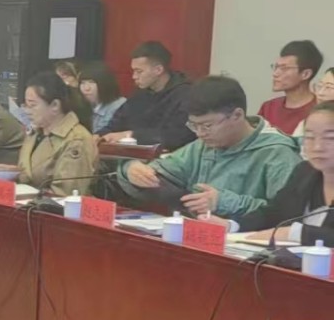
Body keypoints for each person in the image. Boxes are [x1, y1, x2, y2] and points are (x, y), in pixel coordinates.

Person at [111, 75, 301, 219]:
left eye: (207, 125)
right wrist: (131, 169)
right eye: (194, 125)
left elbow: (287, 216)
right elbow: (162, 170)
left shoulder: (278, 154)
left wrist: (223, 202)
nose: (200, 133)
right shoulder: (203, 146)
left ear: (237, 115)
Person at [236, 103, 334, 243]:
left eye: (330, 138)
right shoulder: (304, 172)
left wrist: (295, 233)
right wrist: (233, 225)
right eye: (310, 137)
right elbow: (274, 213)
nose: (317, 147)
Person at [13, 72, 100, 197]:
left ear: (55, 105)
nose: (27, 111)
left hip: (53, 206)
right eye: (25, 105)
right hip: (26, 203)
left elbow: (67, 192)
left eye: (32, 105)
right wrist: (10, 173)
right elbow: (27, 173)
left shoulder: (77, 139)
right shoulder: (35, 133)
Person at [99, 41, 193, 149]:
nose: (134, 76)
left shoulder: (185, 95)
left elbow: (176, 136)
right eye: (133, 71)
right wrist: (99, 136)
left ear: (158, 70)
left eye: (139, 71)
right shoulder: (139, 94)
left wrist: (131, 135)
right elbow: (116, 123)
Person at [259, 40, 324, 136]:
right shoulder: (268, 107)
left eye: (284, 68)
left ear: (306, 74)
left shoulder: (322, 110)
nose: (275, 74)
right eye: (276, 67)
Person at [77, 61, 126, 134]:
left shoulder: (119, 106)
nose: (86, 88)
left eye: (92, 82)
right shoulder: (86, 106)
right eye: (82, 83)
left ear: (105, 83)